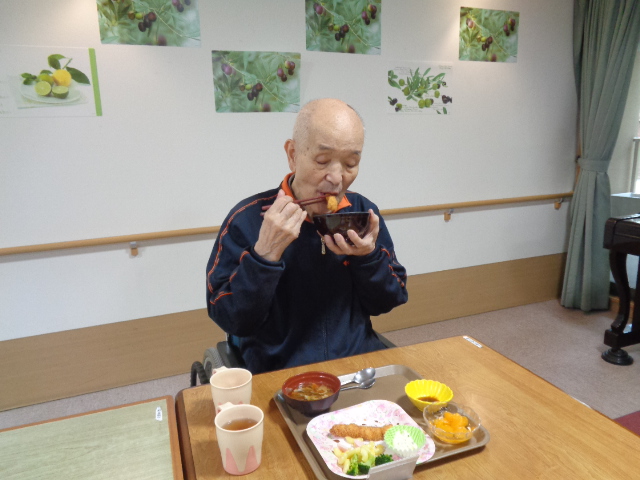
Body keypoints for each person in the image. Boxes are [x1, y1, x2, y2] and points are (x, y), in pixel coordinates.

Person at [206, 98, 408, 373]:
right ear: (292, 154)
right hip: (281, 374)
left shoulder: (362, 213)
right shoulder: (247, 220)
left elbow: (389, 301)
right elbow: (231, 319)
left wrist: (367, 258)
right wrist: (263, 257)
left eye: (350, 163)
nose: (336, 178)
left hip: (356, 366)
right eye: (322, 161)